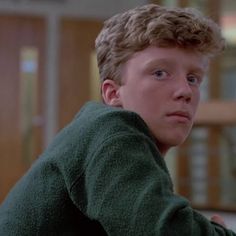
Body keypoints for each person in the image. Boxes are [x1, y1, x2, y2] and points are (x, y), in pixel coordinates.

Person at [0, 3, 235, 235]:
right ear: (113, 94)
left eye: (193, 78)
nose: (185, 91)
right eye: (160, 73)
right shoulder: (112, 132)